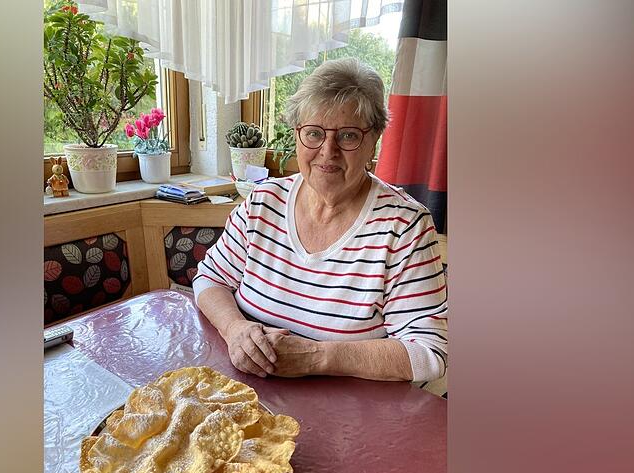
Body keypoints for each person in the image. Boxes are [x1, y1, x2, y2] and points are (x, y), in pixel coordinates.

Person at [192, 58, 447, 387]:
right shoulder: (263, 201)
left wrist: (317, 356)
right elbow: (210, 278)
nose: (328, 151)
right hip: (245, 395)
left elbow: (428, 353)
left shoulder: (404, 225)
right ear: (297, 135)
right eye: (313, 133)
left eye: (348, 136)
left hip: (351, 416)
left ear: (374, 140)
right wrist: (235, 329)